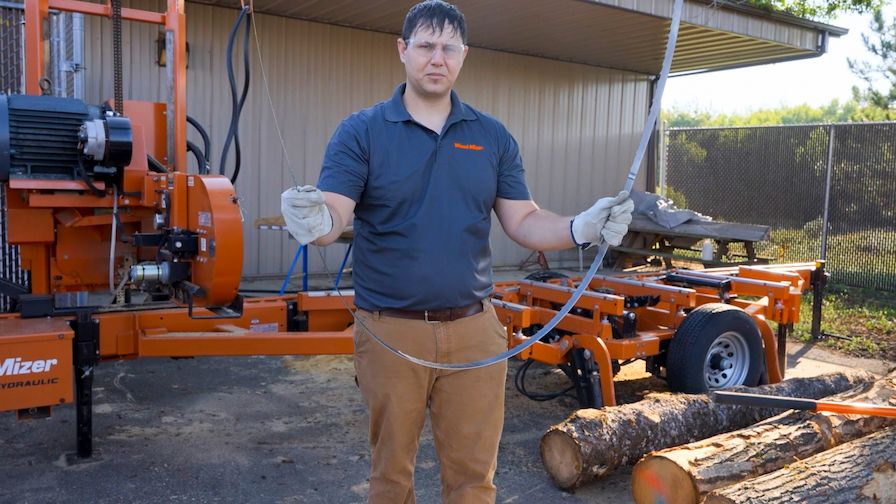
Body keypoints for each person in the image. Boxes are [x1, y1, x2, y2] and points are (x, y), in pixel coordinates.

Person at [280, 2, 634, 502]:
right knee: (390, 478)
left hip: (475, 332)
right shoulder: (361, 132)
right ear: (403, 50)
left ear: (464, 55)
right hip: (389, 332)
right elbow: (333, 214)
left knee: (473, 480)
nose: (436, 58)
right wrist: (314, 221)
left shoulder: (491, 137)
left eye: (448, 48)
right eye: (425, 45)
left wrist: (581, 226)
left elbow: (523, 220)